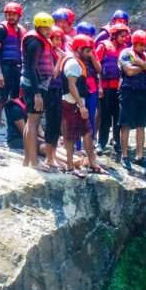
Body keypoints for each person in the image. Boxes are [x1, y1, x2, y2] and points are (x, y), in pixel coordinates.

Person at [60, 35, 104, 176]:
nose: (90, 54)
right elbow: (71, 85)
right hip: (71, 104)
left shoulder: (77, 61)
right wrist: (81, 106)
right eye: (87, 51)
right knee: (70, 135)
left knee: (87, 132)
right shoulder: (73, 63)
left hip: (77, 104)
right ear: (79, 49)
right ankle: (70, 166)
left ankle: (92, 164)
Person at [117, 30, 146, 170]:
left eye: (144, 45)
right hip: (128, 93)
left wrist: (141, 64)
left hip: (143, 93)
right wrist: (145, 66)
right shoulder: (126, 54)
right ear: (134, 43)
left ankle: (140, 156)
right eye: (139, 44)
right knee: (126, 124)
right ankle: (125, 156)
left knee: (141, 125)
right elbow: (129, 71)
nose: (142, 47)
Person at [21, 12, 56, 168]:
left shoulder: (40, 39)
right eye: (45, 28)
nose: (49, 31)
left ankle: (27, 160)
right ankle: (34, 162)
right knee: (33, 122)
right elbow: (31, 68)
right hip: (34, 86)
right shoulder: (35, 43)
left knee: (31, 122)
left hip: (35, 85)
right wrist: (37, 94)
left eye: (49, 28)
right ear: (38, 27)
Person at [0, 2, 25, 147]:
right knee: (1, 100)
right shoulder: (1, 29)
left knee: (16, 101)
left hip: (17, 69)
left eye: (13, 14)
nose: (10, 17)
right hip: (4, 67)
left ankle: (13, 136)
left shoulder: (21, 30)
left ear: (19, 15)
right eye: (8, 14)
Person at [95, 24, 129, 157]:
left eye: (126, 36)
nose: (124, 38)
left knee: (118, 116)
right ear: (114, 35)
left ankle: (117, 141)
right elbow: (96, 67)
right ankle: (101, 143)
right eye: (122, 36)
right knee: (105, 116)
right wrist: (99, 87)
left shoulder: (126, 49)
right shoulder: (103, 46)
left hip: (120, 88)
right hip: (106, 87)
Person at [42, 26, 67, 170]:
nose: (58, 42)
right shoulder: (49, 53)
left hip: (58, 90)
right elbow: (54, 74)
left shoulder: (59, 53)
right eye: (55, 39)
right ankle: (49, 157)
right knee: (51, 123)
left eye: (59, 39)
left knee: (56, 124)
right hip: (50, 89)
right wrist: (61, 59)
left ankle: (53, 156)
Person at [74, 21, 102, 146]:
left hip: (92, 88)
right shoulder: (74, 50)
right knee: (77, 115)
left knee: (90, 115)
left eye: (89, 35)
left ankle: (89, 142)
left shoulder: (91, 50)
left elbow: (99, 70)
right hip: (78, 88)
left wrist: (91, 57)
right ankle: (77, 145)